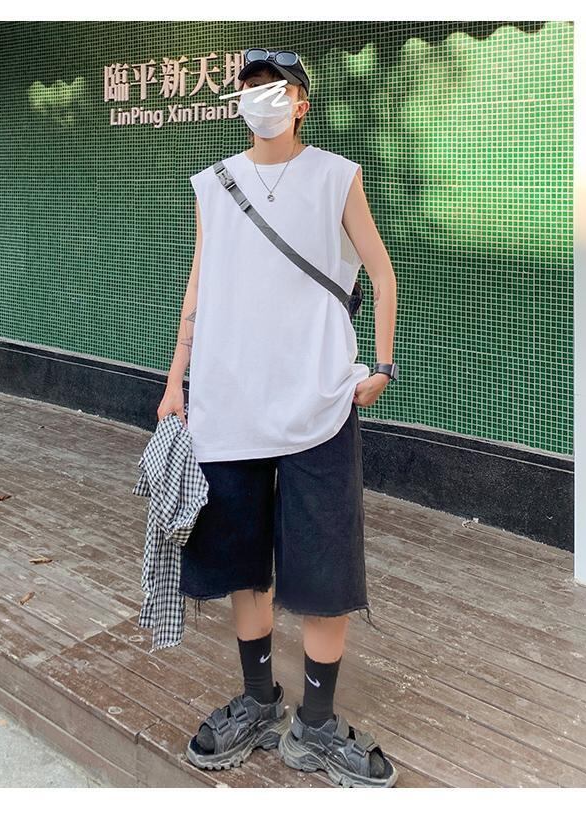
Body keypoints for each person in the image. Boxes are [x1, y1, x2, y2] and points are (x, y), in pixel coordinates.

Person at [157, 48, 399, 787]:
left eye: (276, 86)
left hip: (319, 400)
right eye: (251, 87)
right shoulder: (213, 183)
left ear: (301, 102)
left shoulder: (336, 175)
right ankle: (259, 701)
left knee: (325, 564)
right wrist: (176, 378)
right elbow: (200, 282)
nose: (261, 96)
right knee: (243, 561)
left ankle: (316, 724)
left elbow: (381, 272)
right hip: (229, 400)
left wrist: (382, 365)